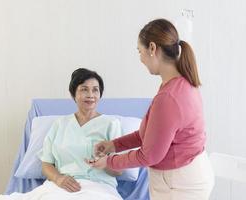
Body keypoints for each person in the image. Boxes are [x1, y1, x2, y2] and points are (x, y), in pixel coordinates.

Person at [89, 18, 215, 200]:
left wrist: (109, 161)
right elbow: (150, 136)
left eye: (140, 51)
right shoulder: (180, 84)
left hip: (179, 185)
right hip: (186, 176)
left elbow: (149, 155)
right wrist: (114, 145)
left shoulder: (169, 98)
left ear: (153, 49)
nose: (140, 59)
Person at [0, 68, 123, 200]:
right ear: (73, 94)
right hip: (60, 188)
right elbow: (46, 163)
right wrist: (59, 179)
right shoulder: (59, 124)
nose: (91, 94)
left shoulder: (111, 124)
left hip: (98, 188)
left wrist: (105, 163)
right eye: (84, 89)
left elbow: (119, 171)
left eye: (95, 90)